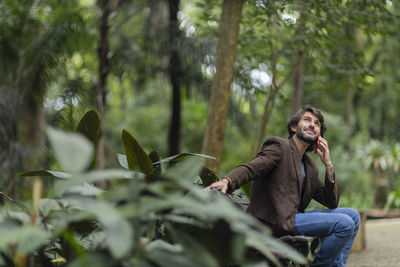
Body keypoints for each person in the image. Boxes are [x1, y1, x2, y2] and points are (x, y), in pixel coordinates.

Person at [205, 106, 360, 267]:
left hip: (293, 218)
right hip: (274, 221)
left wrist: (328, 165)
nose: (313, 125)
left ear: (319, 135)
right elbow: (252, 168)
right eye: (307, 120)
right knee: (344, 224)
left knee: (353, 216)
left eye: (317, 123)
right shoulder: (280, 147)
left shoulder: (310, 166)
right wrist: (227, 181)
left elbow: (331, 202)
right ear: (294, 127)